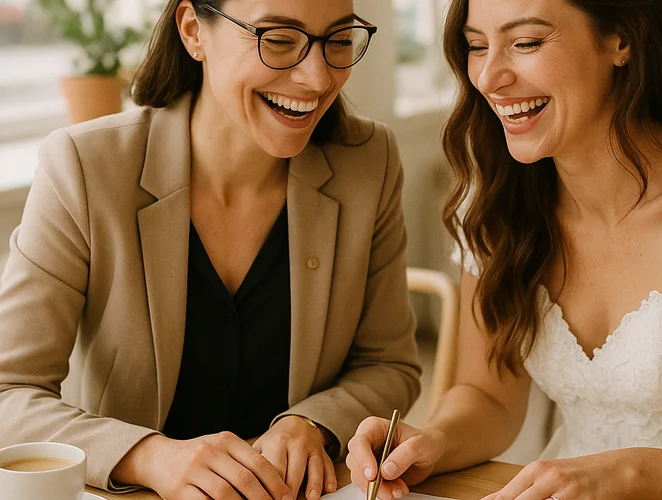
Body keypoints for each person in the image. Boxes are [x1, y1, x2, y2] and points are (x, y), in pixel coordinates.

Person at [346, 0, 662, 499]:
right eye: (476, 46)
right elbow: (488, 396)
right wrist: (431, 440)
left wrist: (624, 475)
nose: (490, 77)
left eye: (526, 43)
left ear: (620, 39)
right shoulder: (496, 198)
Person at [0, 0, 422, 498]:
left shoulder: (369, 160)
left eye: (339, 40)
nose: (317, 78)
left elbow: (389, 364)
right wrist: (148, 456)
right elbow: (9, 392)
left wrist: (313, 421)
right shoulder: (85, 167)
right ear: (193, 31)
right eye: (278, 40)